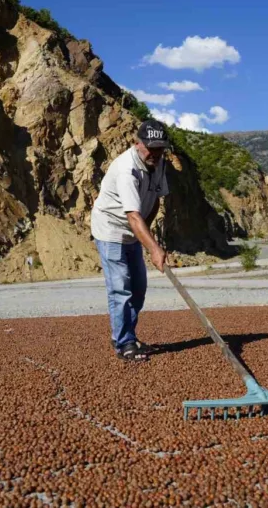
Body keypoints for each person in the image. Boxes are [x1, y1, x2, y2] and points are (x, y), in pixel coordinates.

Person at [91, 119, 171, 361]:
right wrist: (154, 249)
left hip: (133, 231)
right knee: (120, 288)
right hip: (111, 230)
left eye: (160, 148)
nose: (155, 153)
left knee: (138, 288)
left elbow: (156, 199)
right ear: (138, 143)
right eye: (150, 148)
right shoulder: (127, 169)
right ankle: (124, 343)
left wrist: (148, 236)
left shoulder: (159, 164)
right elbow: (133, 215)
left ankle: (128, 335)